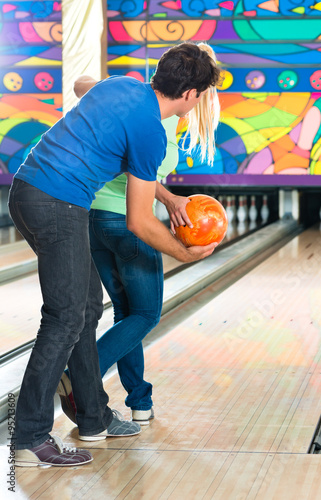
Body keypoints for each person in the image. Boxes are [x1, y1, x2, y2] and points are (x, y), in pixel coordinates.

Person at [8, 42, 221, 468]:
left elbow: (85, 85)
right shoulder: (151, 133)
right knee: (66, 317)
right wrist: (186, 253)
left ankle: (93, 416)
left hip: (26, 192)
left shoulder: (121, 86)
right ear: (192, 95)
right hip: (60, 204)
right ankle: (30, 436)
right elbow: (139, 223)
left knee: (85, 308)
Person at [57, 44, 220, 427]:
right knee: (146, 314)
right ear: (190, 91)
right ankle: (78, 376)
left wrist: (105, 87)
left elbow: (82, 85)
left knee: (127, 315)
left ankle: (140, 400)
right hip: (128, 225)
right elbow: (140, 183)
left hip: (94, 220)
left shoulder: (133, 100)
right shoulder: (156, 117)